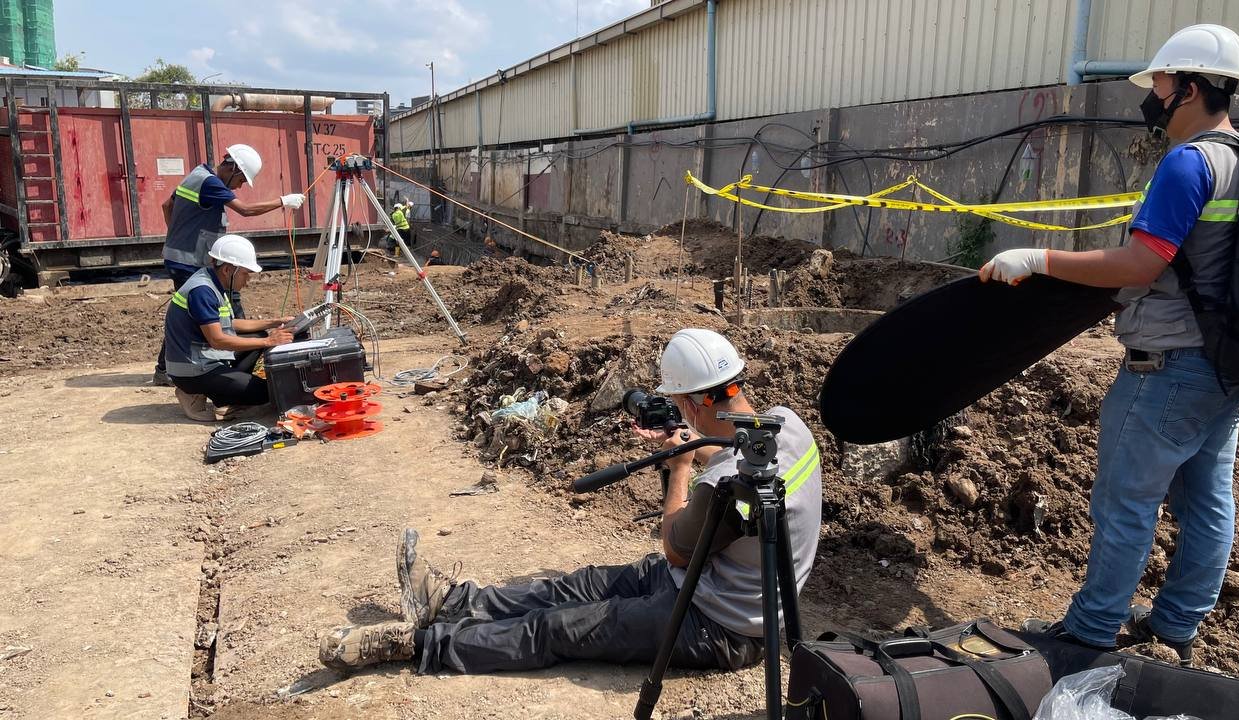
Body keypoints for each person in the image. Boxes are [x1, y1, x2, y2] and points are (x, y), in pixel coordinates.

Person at [979, 25, 1239, 665]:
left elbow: (1140, 264)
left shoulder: (1189, 161)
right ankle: (1176, 623)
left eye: (1158, 82)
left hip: (1167, 366)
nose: (1150, 94)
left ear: (1188, 87)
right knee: (1208, 500)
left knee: (1126, 501)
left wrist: (1040, 258)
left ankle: (1091, 631)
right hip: (1225, 364)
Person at [315, 328, 823, 675]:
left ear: (690, 403)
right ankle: (453, 604)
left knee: (555, 628)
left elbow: (674, 546)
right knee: (575, 586)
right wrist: (697, 447)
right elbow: (736, 461)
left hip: (719, 625)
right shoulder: (787, 426)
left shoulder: (724, 486)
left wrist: (680, 468)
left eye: (680, 407)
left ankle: (420, 647)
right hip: (724, 589)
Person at [152, 144, 305, 386]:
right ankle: (224, 367)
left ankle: (173, 367)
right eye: (241, 179)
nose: (239, 186)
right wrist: (283, 201)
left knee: (196, 314)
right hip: (189, 261)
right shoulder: (211, 183)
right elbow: (244, 210)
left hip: (179, 257)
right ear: (231, 167)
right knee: (217, 309)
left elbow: (166, 206)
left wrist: (179, 235)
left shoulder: (196, 174)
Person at [163, 234, 295, 422]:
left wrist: (274, 322)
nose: (247, 280)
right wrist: (269, 341)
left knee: (256, 334)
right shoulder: (202, 291)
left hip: (204, 360)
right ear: (227, 270)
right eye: (245, 273)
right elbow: (217, 340)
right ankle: (194, 392)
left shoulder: (212, 282)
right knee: (267, 393)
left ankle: (227, 391)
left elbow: (229, 324)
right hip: (192, 370)